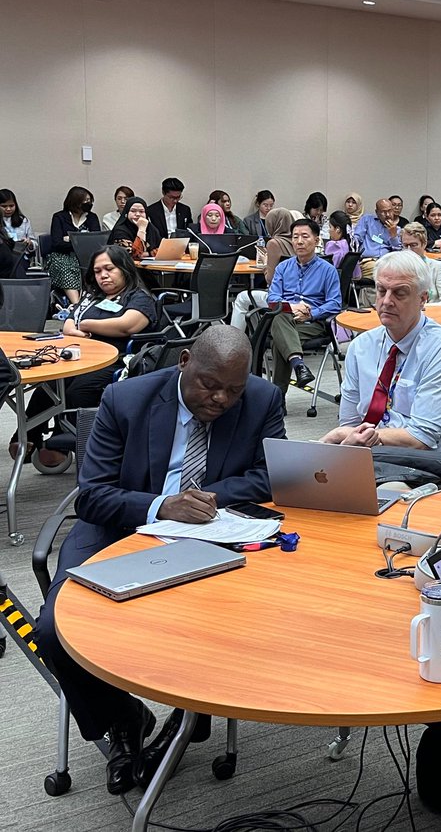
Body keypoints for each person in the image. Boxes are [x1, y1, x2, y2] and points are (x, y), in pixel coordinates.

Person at [32, 327, 285, 795]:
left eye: (233, 389)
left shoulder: (261, 398)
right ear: (184, 360)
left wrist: (206, 499)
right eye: (211, 384)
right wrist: (162, 505)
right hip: (120, 528)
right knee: (53, 630)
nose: (222, 399)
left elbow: (271, 476)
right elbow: (93, 498)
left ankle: (192, 715)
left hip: (215, 533)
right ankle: (123, 716)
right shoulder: (125, 399)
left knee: (223, 620)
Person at [322, 250, 441, 477]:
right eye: (381, 291)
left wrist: (341, 438)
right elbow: (349, 422)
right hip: (380, 456)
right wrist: (346, 440)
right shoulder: (361, 347)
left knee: (366, 497)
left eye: (400, 293)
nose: (387, 301)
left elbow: (421, 438)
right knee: (309, 482)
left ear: (423, 299)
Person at [13, 245, 159, 465]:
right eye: (98, 271)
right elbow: (68, 325)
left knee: (76, 392)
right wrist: (84, 326)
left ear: (124, 269)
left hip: (116, 361)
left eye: (109, 269)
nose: (103, 275)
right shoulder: (92, 297)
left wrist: (88, 324)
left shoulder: (138, 297)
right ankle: (27, 437)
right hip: (79, 356)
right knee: (49, 385)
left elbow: (126, 325)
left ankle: (62, 442)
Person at [265, 219, 341, 393]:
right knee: (280, 316)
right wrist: (293, 307)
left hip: (312, 324)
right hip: (287, 319)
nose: (299, 241)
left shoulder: (328, 270)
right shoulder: (283, 267)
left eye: (304, 236)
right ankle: (298, 365)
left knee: (279, 338)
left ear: (316, 240)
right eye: (295, 237)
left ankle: (278, 398)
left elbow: (335, 303)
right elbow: (273, 296)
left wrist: (311, 313)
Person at [230, 207, 295, 332]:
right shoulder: (298, 241)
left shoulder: (274, 243)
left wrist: (266, 270)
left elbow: (270, 279)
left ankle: (233, 338)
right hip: (298, 296)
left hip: (278, 298)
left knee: (242, 298)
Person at [48, 185, 101, 304]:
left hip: (87, 256)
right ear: (75, 201)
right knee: (67, 266)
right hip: (63, 255)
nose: (88, 203)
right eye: (85, 201)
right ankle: (76, 304)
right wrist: (81, 241)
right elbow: (57, 243)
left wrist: (71, 239)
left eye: (89, 201)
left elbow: (95, 240)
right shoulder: (59, 217)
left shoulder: (92, 217)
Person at [352, 198, 402, 279]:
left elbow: (398, 253)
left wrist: (394, 236)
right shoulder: (367, 220)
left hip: (386, 263)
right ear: (377, 212)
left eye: (390, 211)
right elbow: (356, 240)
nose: (388, 215)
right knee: (379, 272)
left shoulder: (397, 230)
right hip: (368, 261)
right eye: (384, 212)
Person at [145, 177, 192, 251]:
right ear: (163, 193)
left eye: (178, 197)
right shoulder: (151, 211)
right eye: (172, 197)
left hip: (181, 248)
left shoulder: (185, 210)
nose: (175, 201)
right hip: (159, 248)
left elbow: (189, 231)